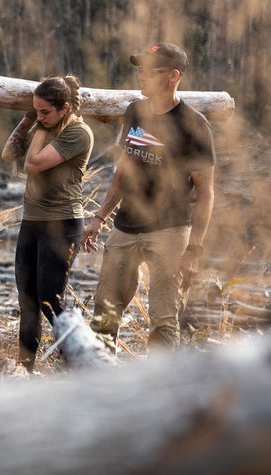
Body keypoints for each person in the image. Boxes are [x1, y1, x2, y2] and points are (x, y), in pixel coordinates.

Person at [81, 42, 215, 348]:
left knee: (164, 322)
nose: (140, 77)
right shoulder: (135, 112)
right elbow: (123, 172)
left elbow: (206, 194)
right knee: (105, 310)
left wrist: (193, 250)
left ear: (173, 76)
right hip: (125, 227)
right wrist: (100, 218)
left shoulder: (194, 125)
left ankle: (160, 390)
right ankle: (98, 380)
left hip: (169, 231)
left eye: (148, 72)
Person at [1, 75, 93, 372]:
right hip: (32, 221)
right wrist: (29, 119)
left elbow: (32, 164)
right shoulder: (42, 124)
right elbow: (7, 153)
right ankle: (24, 368)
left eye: (45, 112)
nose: (40, 116)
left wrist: (38, 126)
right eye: (36, 110)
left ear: (64, 108)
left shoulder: (79, 133)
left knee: (50, 302)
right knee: (26, 298)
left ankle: (77, 364)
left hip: (62, 223)